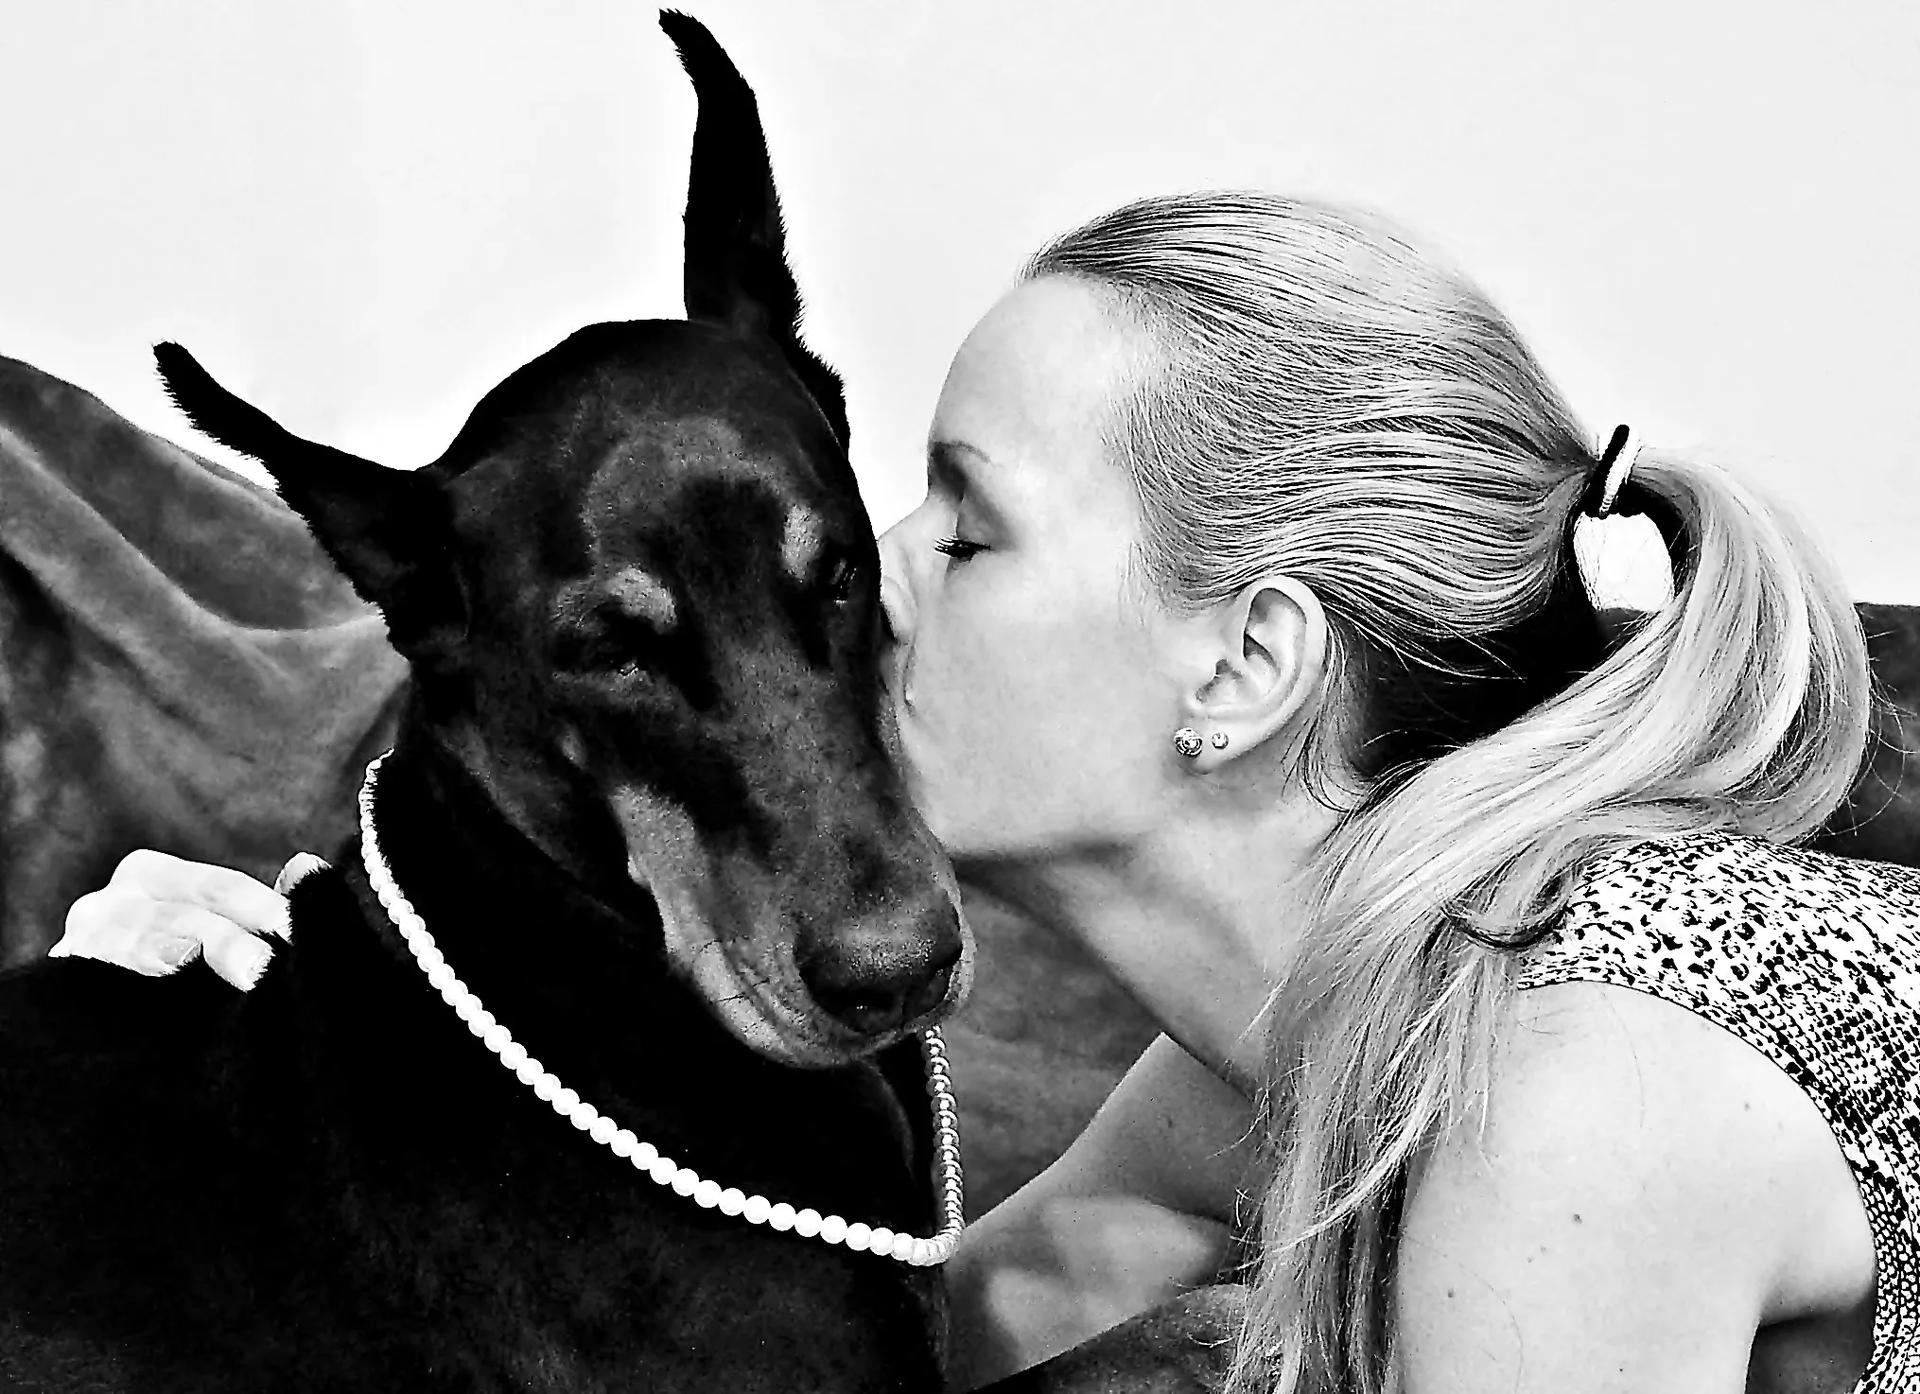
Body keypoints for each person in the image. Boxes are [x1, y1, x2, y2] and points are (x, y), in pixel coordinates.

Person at [55, 192, 1920, 1393]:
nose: (864, 580)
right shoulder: (1284, 1042)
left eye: (968, 527)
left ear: (1243, 669)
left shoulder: (1570, 1104)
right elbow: (867, 1340)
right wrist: (186, 1110)